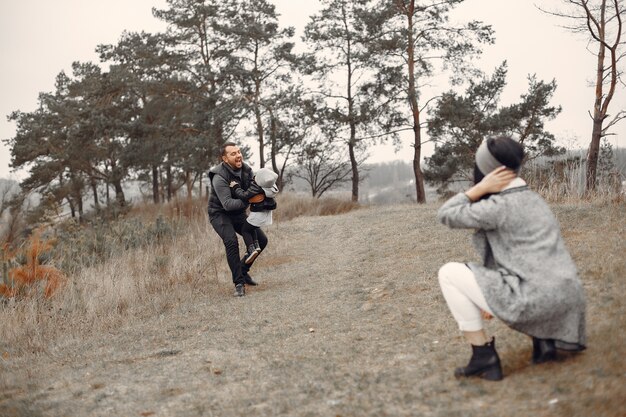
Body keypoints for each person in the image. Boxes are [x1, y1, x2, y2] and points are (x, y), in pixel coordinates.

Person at [436, 135, 586, 381]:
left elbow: (446, 214)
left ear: (487, 170)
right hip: (569, 299)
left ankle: (483, 357)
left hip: (538, 301)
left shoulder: (498, 206)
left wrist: (479, 189)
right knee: (535, 278)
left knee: (448, 273)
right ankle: (544, 340)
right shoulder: (535, 200)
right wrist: (489, 287)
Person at [208, 142, 268, 297]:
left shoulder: (247, 170)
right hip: (220, 214)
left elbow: (253, 189)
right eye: (233, 153)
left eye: (239, 152)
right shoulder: (219, 176)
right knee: (231, 241)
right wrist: (250, 200)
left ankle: (243, 270)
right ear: (224, 158)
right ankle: (239, 283)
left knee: (261, 240)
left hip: (238, 213)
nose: (238, 155)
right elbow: (227, 204)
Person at [229, 167, 279, 265]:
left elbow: (244, 195)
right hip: (265, 214)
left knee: (245, 230)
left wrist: (235, 187)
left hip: (258, 214)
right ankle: (256, 245)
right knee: (252, 227)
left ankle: (251, 249)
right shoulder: (270, 187)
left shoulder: (256, 188)